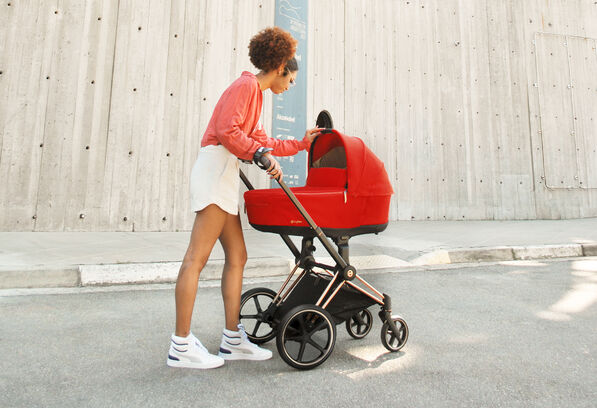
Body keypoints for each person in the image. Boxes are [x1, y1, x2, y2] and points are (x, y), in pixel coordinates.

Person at [167, 27, 322, 369]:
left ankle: (233, 338)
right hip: (215, 170)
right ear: (279, 67)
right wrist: (259, 155)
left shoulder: (256, 95)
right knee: (196, 258)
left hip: (224, 174)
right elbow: (227, 131)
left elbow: (262, 141)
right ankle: (181, 345)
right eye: (291, 79)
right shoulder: (246, 86)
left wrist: (301, 144)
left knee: (237, 256)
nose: (291, 85)